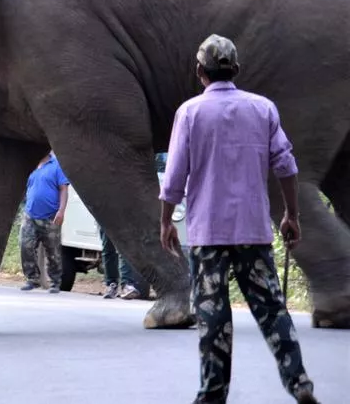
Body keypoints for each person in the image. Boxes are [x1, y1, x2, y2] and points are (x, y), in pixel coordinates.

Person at [160, 34, 319, 404]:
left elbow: (174, 177)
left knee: (212, 316)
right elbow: (286, 165)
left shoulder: (190, 113)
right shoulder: (263, 109)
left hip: (208, 233)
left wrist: (166, 220)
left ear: (200, 72)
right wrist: (292, 215)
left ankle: (212, 396)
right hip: (253, 230)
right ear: (237, 70)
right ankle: (299, 383)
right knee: (272, 309)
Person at [19, 152, 70, 293]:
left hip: (51, 216)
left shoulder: (56, 165)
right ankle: (32, 279)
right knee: (25, 245)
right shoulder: (31, 166)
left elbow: (64, 189)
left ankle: (55, 282)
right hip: (30, 214)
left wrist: (61, 211)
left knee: (53, 250)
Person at [98, 225, 144, 300]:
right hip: (105, 216)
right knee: (108, 249)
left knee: (125, 246)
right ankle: (111, 284)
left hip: (124, 216)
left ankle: (126, 284)